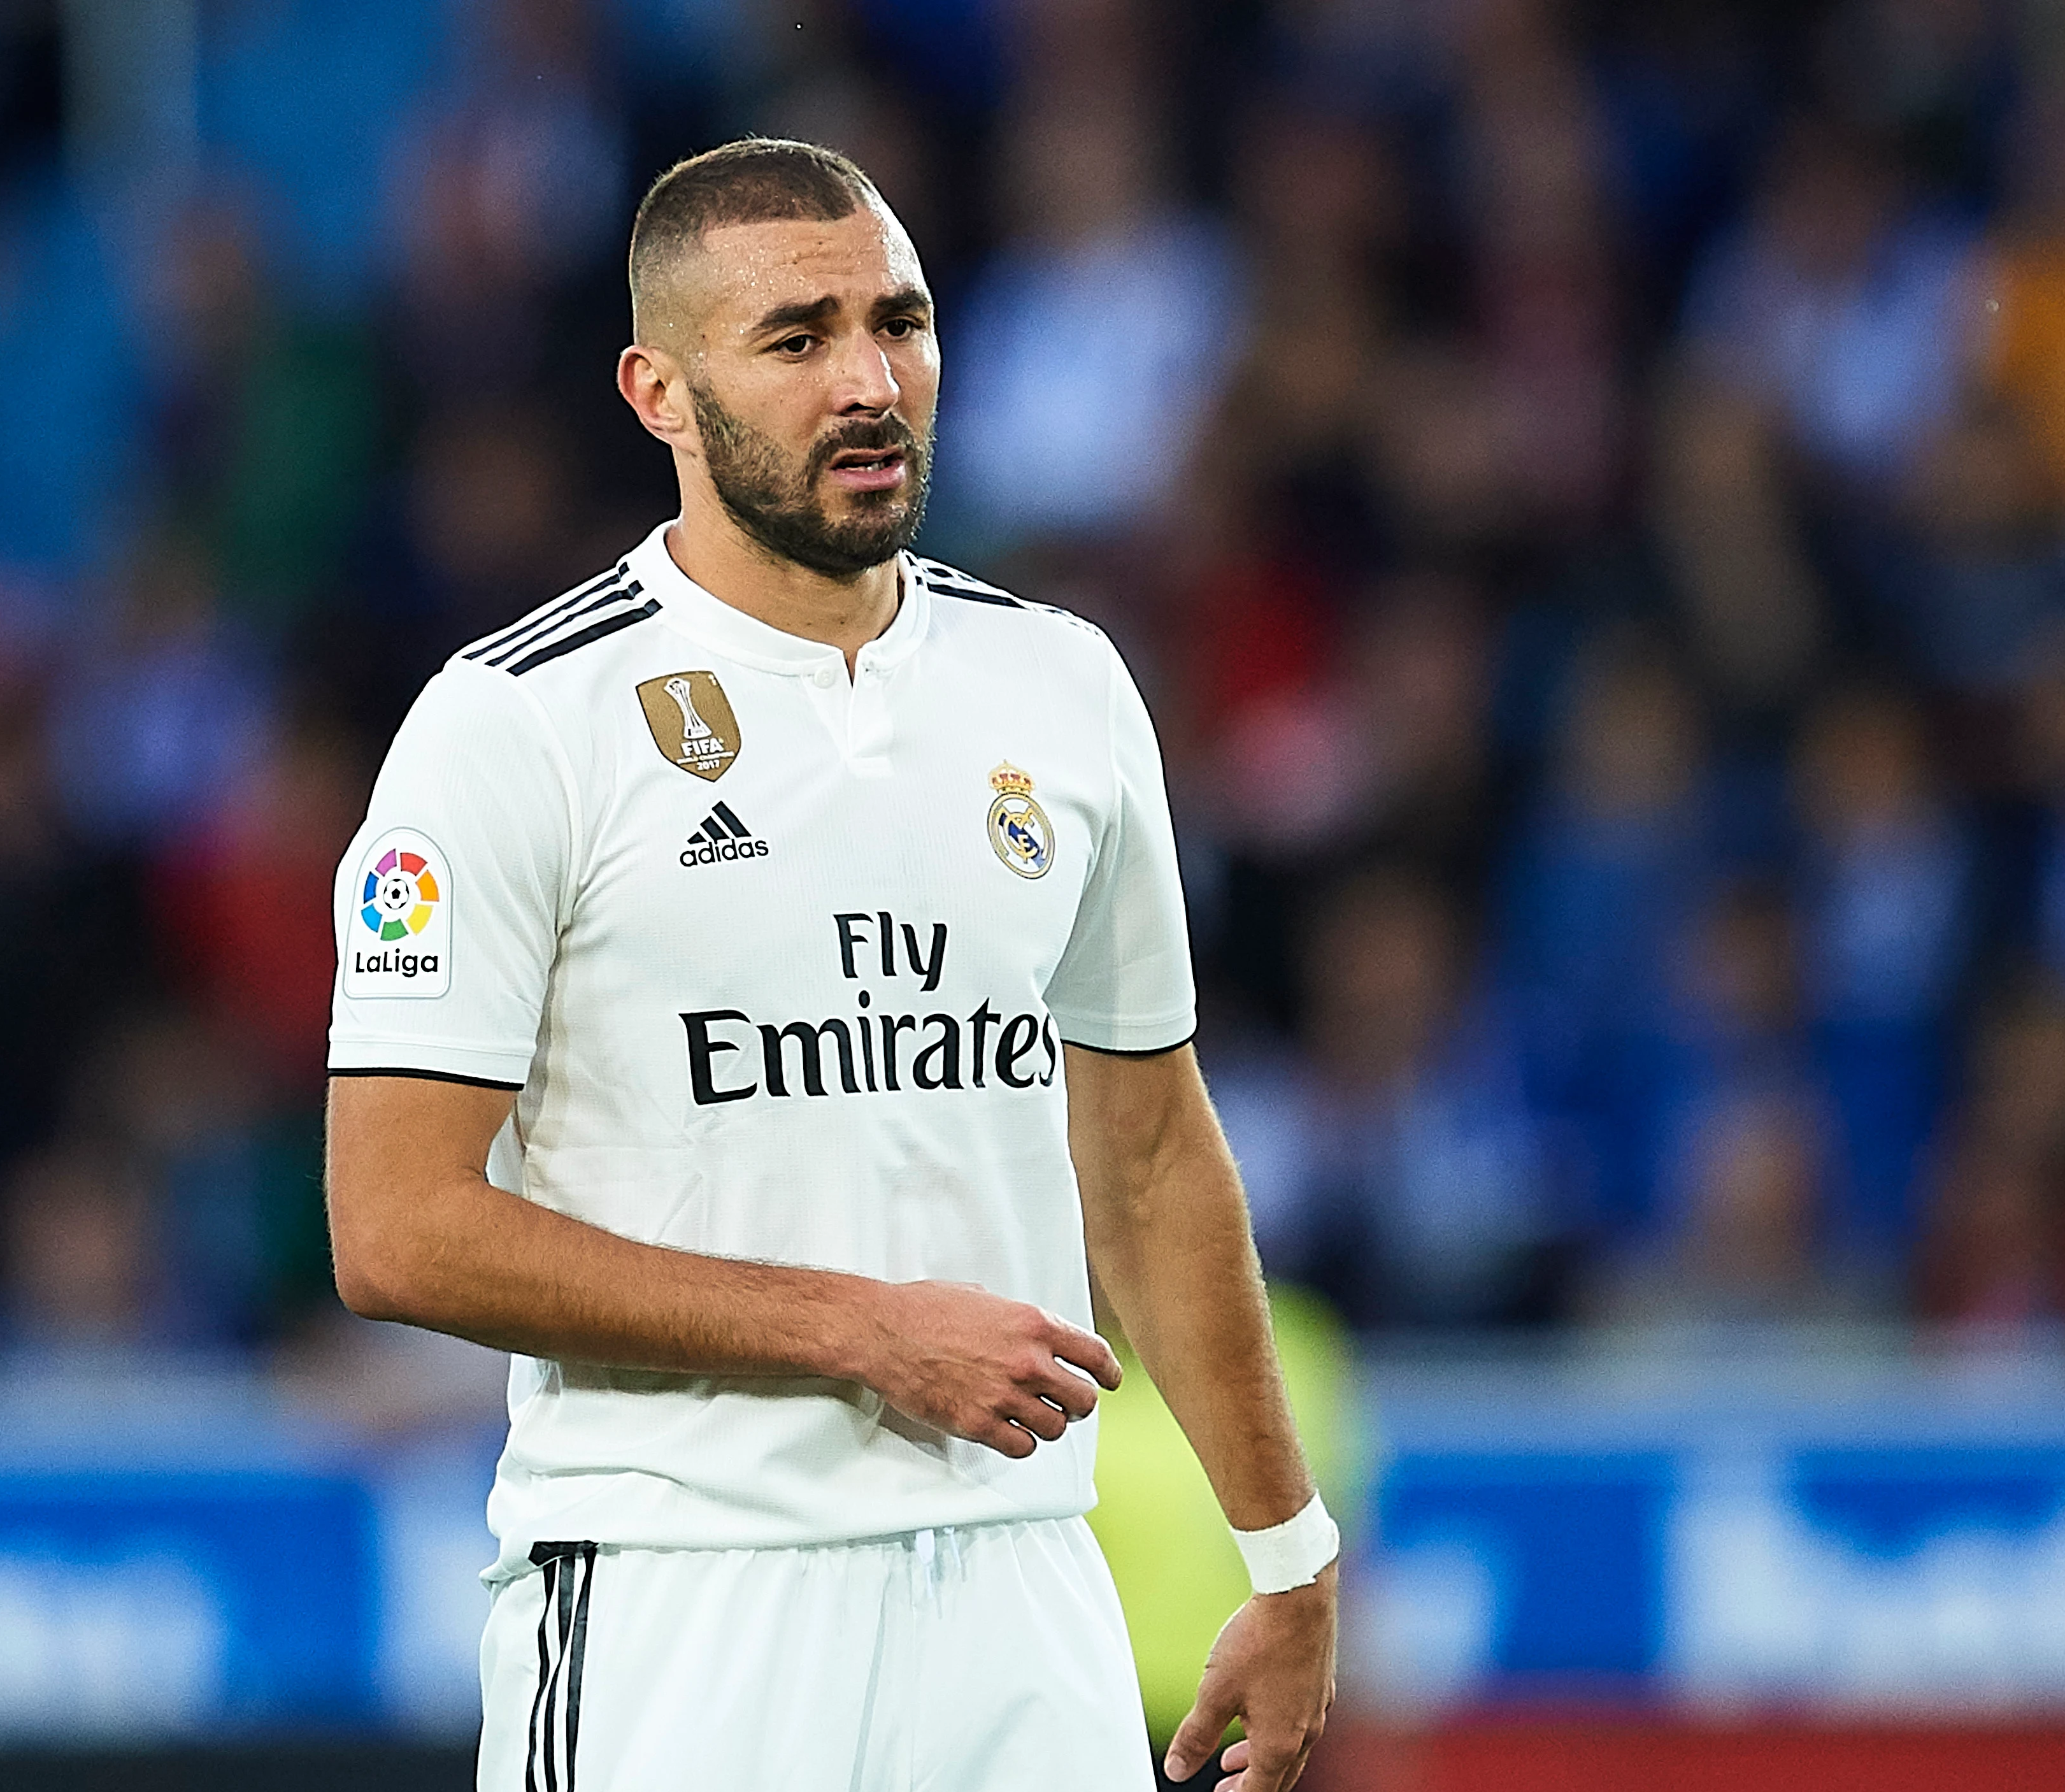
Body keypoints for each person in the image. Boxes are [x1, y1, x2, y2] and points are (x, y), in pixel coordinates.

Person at [325, 139, 1339, 1792]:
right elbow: (395, 1226)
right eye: (797, 338)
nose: (871, 380)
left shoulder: (1059, 687)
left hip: (1021, 1588)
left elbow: (1150, 1156)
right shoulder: (517, 724)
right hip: (687, 1596)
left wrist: (1286, 1550)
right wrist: (860, 1328)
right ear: (659, 389)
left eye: (902, 322)